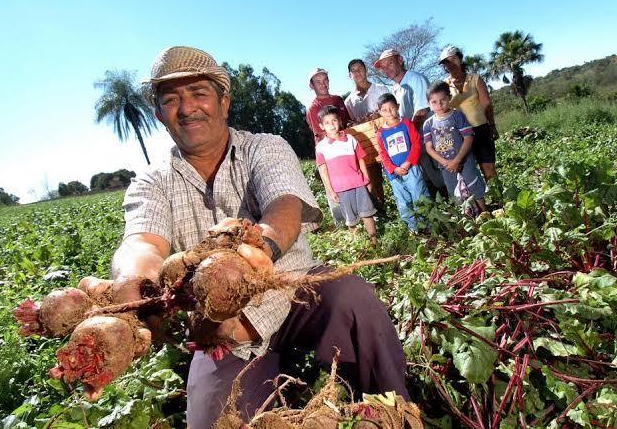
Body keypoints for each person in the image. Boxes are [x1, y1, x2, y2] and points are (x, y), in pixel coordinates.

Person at [109, 46, 409, 428]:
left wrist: (262, 248)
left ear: (224, 101)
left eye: (199, 94)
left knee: (353, 298)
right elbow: (141, 243)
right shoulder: (152, 182)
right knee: (212, 419)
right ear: (158, 114)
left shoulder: (264, 147)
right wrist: (135, 283)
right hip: (223, 330)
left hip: (298, 292)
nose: (187, 108)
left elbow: (284, 203)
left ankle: (396, 411)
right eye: (171, 100)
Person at [374, 49, 446, 195]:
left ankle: (455, 206)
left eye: (390, 63)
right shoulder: (395, 88)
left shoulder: (414, 79)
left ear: (400, 60)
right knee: (426, 179)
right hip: (416, 144)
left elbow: (422, 111)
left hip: (428, 138)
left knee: (440, 176)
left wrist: (408, 137)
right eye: (383, 67)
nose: (386, 69)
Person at [315, 105, 378, 245]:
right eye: (327, 122)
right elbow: (323, 171)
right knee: (351, 220)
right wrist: (331, 191)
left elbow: (361, 160)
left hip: (358, 184)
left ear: (340, 121)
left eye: (334, 120)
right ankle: (359, 245)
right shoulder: (321, 147)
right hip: (340, 189)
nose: (331, 125)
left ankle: (374, 242)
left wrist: (367, 179)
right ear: (321, 126)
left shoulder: (350, 139)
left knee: (367, 214)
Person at [423, 81, 487, 214]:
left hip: (465, 161)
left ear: (449, 98)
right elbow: (429, 148)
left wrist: (457, 160)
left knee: (475, 188)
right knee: (456, 194)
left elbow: (468, 138)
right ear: (428, 103)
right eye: (434, 102)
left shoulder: (457, 116)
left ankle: (485, 214)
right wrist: (447, 163)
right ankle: (468, 221)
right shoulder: (428, 124)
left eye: (443, 100)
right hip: (445, 166)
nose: (439, 105)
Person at [439, 45, 499, 181]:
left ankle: (499, 200)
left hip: (480, 129)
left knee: (488, 168)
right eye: (445, 63)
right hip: (460, 135)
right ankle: (478, 201)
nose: (449, 65)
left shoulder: (475, 79)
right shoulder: (444, 85)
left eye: (452, 59)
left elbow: (487, 104)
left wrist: (492, 126)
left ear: (460, 59)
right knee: (468, 171)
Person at [376, 93, 431, 232]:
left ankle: (428, 226)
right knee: (403, 203)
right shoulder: (381, 132)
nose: (389, 112)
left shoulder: (406, 123)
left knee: (420, 196)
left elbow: (416, 144)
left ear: (398, 107)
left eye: (392, 108)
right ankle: (413, 228)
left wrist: (407, 163)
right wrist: (393, 169)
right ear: (379, 112)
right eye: (384, 110)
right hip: (394, 175)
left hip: (411, 169)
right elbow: (383, 153)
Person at [305, 67, 349, 225]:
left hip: (345, 147)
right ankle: (341, 222)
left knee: (350, 180)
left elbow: (347, 123)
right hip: (328, 152)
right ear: (312, 86)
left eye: (325, 80)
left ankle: (356, 215)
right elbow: (322, 134)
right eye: (318, 82)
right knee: (333, 185)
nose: (323, 84)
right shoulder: (313, 108)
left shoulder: (338, 100)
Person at [344, 59, 388, 211]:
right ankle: (381, 208)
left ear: (366, 70)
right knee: (374, 179)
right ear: (350, 76)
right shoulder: (349, 101)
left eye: (360, 69)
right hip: (368, 145)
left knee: (395, 173)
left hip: (387, 139)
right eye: (353, 71)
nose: (357, 72)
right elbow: (352, 123)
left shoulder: (380, 88)